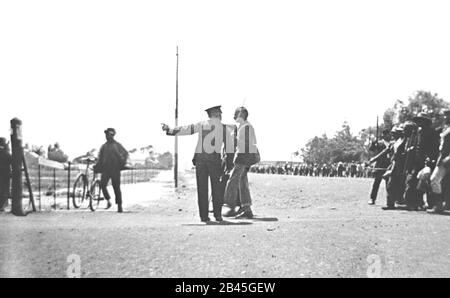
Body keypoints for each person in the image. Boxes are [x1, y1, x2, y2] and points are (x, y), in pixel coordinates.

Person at [162, 105, 228, 222]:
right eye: (220, 114)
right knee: (216, 189)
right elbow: (229, 147)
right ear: (217, 114)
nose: (221, 116)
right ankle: (218, 215)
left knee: (202, 189)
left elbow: (186, 129)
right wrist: (228, 163)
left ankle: (204, 216)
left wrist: (169, 130)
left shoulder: (201, 124)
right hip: (215, 160)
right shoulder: (223, 127)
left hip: (201, 160)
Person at [223, 107, 258, 219]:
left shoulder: (246, 127)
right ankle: (246, 208)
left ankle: (230, 206)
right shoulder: (244, 126)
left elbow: (247, 144)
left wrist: (235, 139)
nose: (234, 116)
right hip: (244, 157)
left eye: (236, 114)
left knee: (233, 181)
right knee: (242, 182)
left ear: (241, 115)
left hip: (243, 157)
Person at [94, 128, 129, 213]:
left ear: (113, 135)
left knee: (116, 187)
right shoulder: (104, 146)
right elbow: (100, 157)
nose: (107, 136)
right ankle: (108, 200)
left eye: (108, 134)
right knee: (102, 184)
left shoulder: (117, 145)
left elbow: (125, 153)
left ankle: (119, 206)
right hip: (106, 169)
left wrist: (122, 162)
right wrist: (97, 165)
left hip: (115, 169)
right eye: (106, 134)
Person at [429, 109, 450, 213]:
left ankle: (439, 205)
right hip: (441, 158)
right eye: (445, 115)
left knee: (434, 180)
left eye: (447, 115)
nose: (445, 117)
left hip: (446, 159)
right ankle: (441, 204)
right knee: (441, 181)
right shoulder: (445, 128)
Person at [368, 129, 391, 205]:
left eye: (389, 134)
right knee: (377, 182)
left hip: (389, 164)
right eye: (386, 134)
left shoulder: (392, 143)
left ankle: (390, 200)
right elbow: (372, 149)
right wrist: (373, 143)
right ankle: (372, 198)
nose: (388, 135)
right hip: (380, 164)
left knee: (389, 183)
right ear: (383, 135)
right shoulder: (380, 143)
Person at [0, 138, 12, 212]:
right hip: (5, 174)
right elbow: (12, 160)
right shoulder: (5, 152)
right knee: (5, 190)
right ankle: (2, 206)